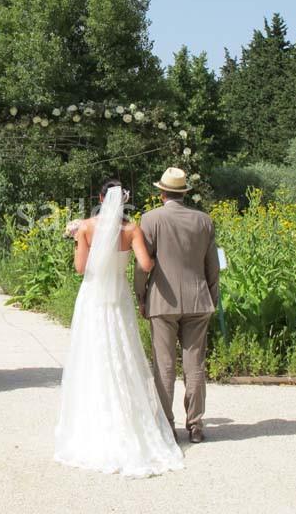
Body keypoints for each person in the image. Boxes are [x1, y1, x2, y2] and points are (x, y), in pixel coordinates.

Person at [54, 180, 184, 476]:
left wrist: (78, 239)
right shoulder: (131, 229)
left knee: (92, 355)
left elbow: (80, 268)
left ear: (99, 197)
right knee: (123, 354)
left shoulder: (86, 227)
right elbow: (146, 264)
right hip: (119, 297)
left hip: (93, 298)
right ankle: (130, 422)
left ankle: (93, 422)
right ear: (124, 200)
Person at [134, 167, 220, 444]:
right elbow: (212, 266)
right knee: (195, 364)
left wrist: (140, 295)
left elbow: (142, 266)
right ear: (183, 193)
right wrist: (212, 296)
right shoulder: (204, 221)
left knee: (164, 364)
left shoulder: (150, 219)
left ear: (161, 193)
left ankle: (166, 424)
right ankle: (195, 425)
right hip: (198, 298)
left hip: (163, 299)